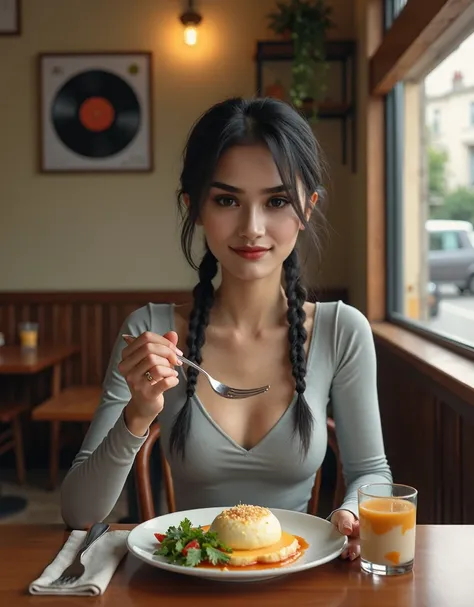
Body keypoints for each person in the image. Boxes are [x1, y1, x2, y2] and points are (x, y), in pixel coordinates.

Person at [61, 97, 392, 562]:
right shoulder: (150, 330)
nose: (251, 227)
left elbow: (371, 470)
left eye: (276, 200)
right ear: (195, 207)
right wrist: (138, 413)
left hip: (298, 580)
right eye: (226, 200)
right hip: (185, 586)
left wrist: (352, 510)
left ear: (307, 209)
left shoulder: (342, 330)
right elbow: (78, 513)